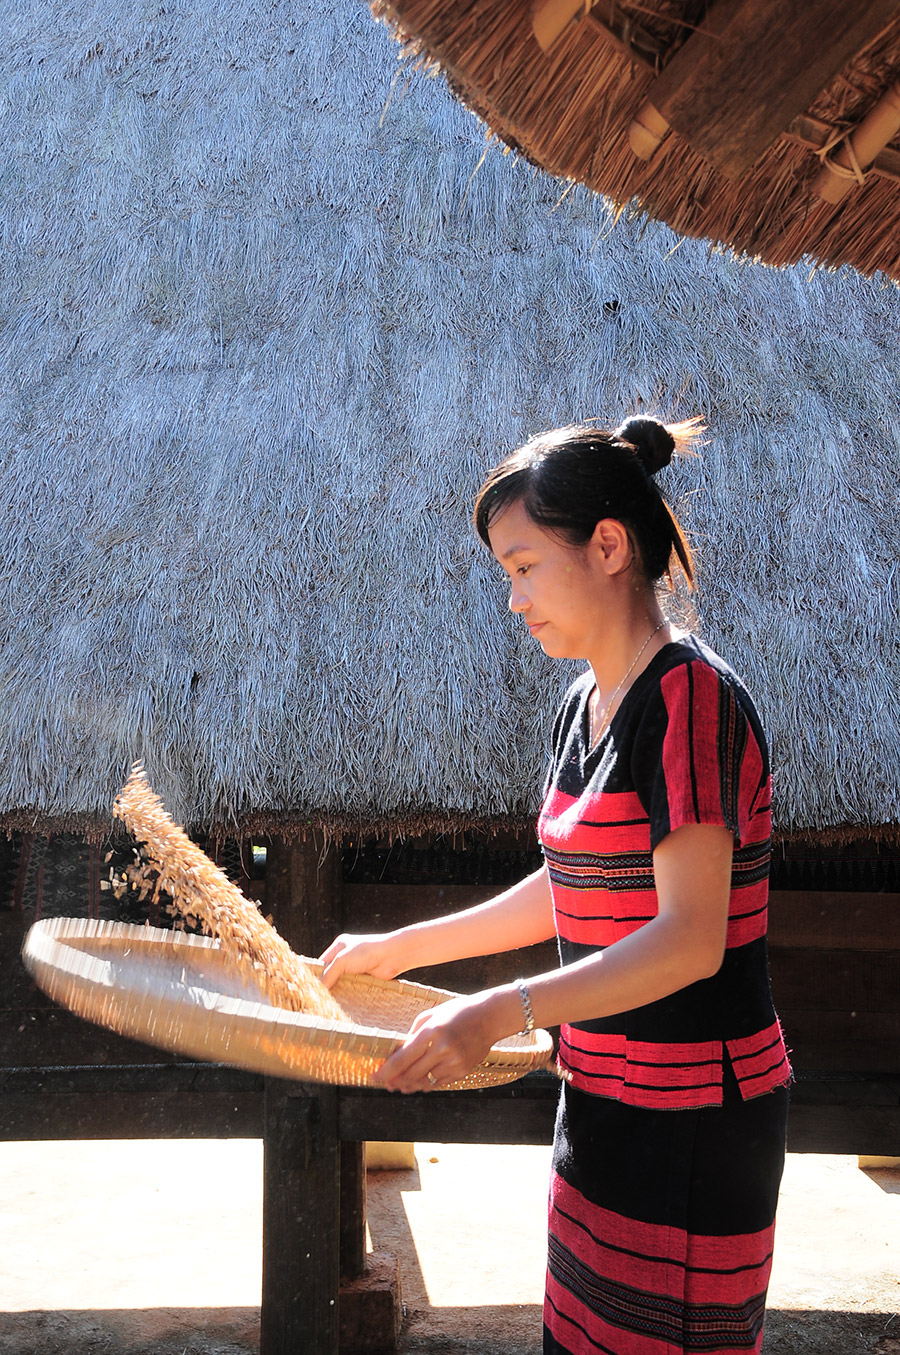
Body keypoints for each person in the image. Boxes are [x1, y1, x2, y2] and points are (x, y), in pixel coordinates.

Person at [320, 416, 791, 1355]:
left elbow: (691, 938)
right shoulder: (585, 703)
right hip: (603, 1099)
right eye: (507, 573)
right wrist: (400, 949)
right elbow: (568, 882)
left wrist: (500, 1010)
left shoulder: (692, 700)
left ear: (608, 546)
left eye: (525, 565)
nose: (514, 598)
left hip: (697, 1116)